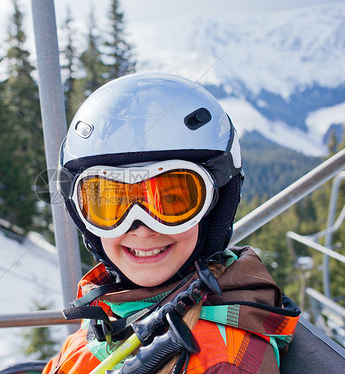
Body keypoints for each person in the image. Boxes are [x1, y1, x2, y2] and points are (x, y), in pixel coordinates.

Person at [43, 73, 300, 374]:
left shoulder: (222, 360)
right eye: (112, 204)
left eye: (173, 201)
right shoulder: (114, 316)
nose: (141, 227)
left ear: (215, 209)